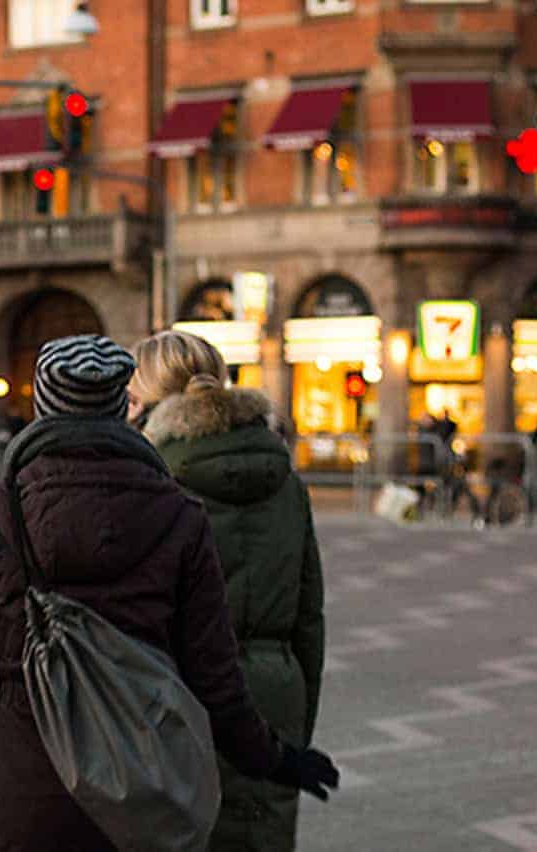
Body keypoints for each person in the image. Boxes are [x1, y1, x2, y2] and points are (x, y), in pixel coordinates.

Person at [0, 335, 338, 852]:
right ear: (121, 406)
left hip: (29, 787)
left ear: (42, 406)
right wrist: (273, 757)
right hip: (141, 789)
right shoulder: (180, 512)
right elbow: (215, 680)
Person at [128, 329, 326, 852]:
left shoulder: (151, 482)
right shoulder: (287, 480)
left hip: (180, 695)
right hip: (274, 691)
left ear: (142, 399)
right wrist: (298, 716)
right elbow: (310, 616)